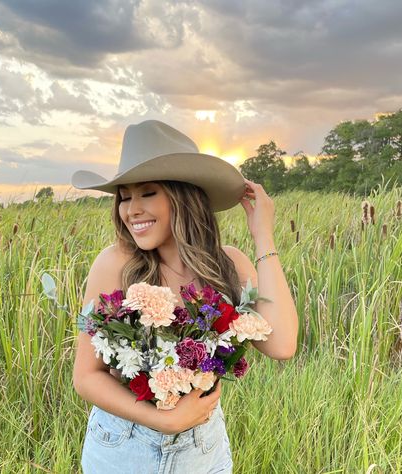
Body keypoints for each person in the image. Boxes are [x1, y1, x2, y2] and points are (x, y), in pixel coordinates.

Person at [71, 120, 298, 473]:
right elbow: (86, 376)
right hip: (123, 448)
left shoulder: (227, 265)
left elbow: (282, 344)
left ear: (184, 195)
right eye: (125, 196)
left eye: (147, 192)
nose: (131, 209)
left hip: (202, 450)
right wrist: (164, 421)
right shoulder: (115, 264)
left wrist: (263, 237)